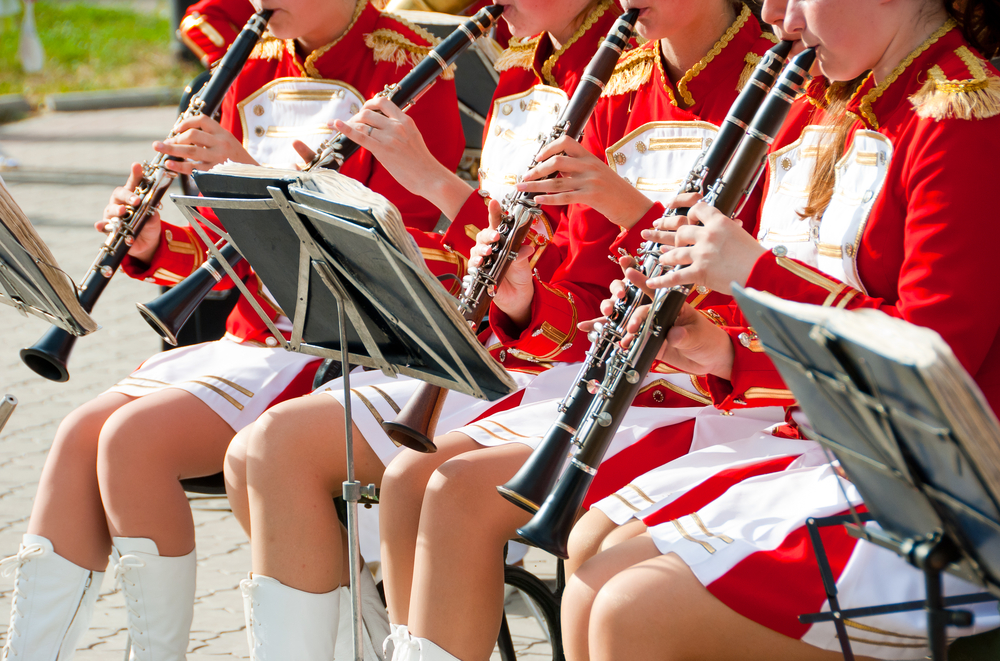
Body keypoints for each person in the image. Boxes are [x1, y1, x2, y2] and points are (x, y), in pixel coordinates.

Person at [0, 0, 463, 659]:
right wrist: (157, 236)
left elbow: (402, 246)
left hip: (339, 341)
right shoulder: (252, 58)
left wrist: (243, 167)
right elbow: (223, 247)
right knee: (79, 433)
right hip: (251, 332)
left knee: (131, 441)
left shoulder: (407, 64)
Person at [563, 0, 1000, 658]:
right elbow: (796, 342)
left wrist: (755, 272)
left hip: (946, 497)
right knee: (589, 568)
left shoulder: (966, 116)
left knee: (630, 610)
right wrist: (718, 347)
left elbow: (932, 364)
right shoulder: (817, 106)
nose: (776, 15)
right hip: (839, 447)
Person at [222, 1, 634, 657]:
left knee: (298, 451)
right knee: (261, 452)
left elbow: (574, 280)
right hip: (500, 344)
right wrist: (331, 208)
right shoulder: (521, 70)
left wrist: (435, 184)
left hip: (565, 363)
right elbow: (494, 249)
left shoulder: (623, 80)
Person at [375, 3, 785, 661]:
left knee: (458, 495)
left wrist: (623, 202)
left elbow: (760, 294)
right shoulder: (619, 87)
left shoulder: (771, 86)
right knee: (406, 478)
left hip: (721, 395)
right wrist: (524, 299)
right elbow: (581, 314)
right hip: (618, 379)